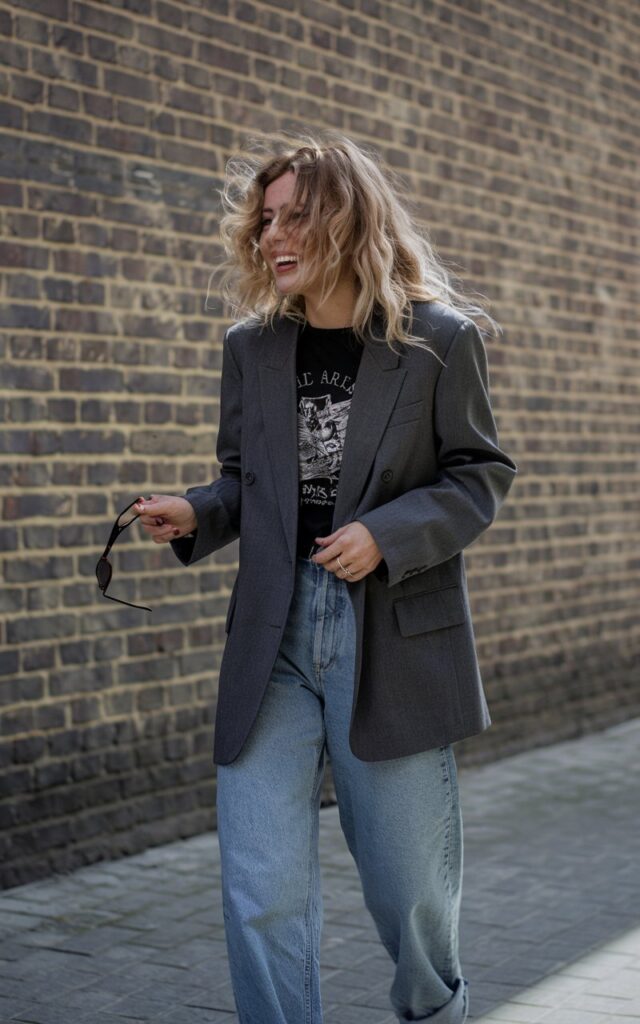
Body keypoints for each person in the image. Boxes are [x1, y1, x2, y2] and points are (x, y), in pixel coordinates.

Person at [134, 129, 517, 1024]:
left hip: (389, 636)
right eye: (264, 219)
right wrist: (200, 510)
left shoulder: (437, 342)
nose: (272, 235)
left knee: (412, 896)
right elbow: (246, 480)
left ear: (351, 218)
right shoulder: (252, 346)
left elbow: (478, 475)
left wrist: (386, 534)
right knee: (259, 887)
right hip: (273, 638)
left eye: (296, 215)